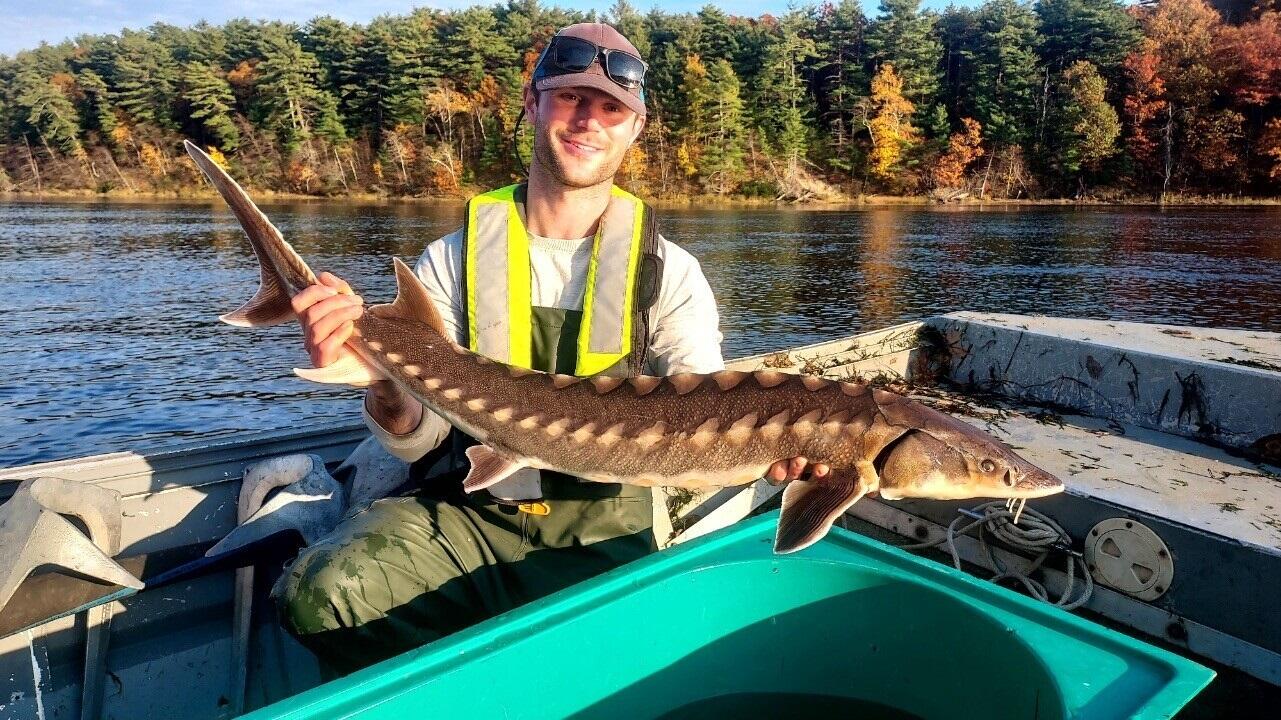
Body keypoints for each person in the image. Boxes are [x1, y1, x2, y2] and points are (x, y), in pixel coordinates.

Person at [274, 22, 828, 675]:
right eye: (569, 97)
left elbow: (705, 417)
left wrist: (777, 450)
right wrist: (381, 380)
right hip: (467, 509)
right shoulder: (452, 259)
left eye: (610, 107)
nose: (588, 120)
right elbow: (418, 440)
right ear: (533, 103)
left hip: (601, 530)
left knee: (631, 666)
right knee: (320, 597)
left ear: (633, 129)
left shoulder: (670, 273)